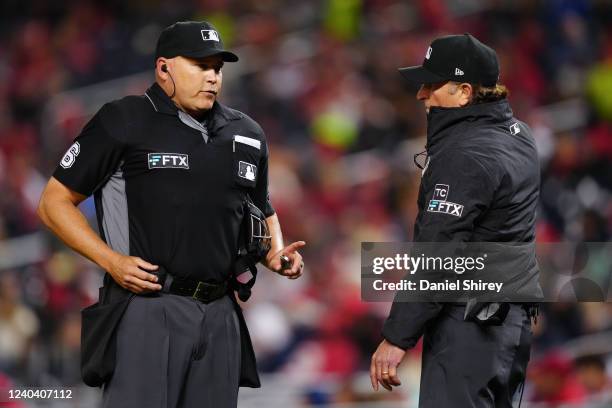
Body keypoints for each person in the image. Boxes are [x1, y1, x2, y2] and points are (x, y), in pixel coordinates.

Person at [37, 21, 305, 408]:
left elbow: (262, 208)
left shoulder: (246, 132)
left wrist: (274, 252)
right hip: (148, 305)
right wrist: (111, 261)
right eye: (199, 65)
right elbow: (53, 202)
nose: (211, 76)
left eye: (217, 67)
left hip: (221, 311)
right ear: (164, 68)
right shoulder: (124, 119)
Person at [370, 34, 540, 407]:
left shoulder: (465, 154)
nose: (421, 94)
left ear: (464, 92)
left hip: (470, 326)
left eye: (432, 84)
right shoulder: (519, 136)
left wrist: (397, 337)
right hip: (510, 324)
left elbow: (438, 255)